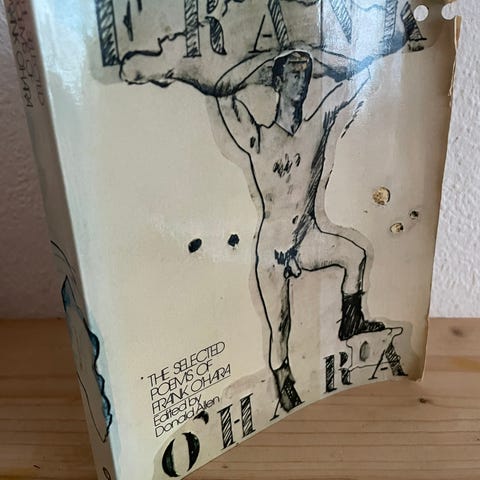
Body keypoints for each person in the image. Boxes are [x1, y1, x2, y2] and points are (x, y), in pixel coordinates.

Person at [216, 50, 386, 412]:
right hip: (274, 250)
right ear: (277, 82)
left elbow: (357, 83)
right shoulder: (258, 138)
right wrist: (259, 64)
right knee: (279, 326)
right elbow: (223, 93)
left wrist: (338, 61)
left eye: (306, 73)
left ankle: (351, 322)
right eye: (293, 74)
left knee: (355, 255)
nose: (302, 81)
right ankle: (283, 379)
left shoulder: (316, 125)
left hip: (307, 239)